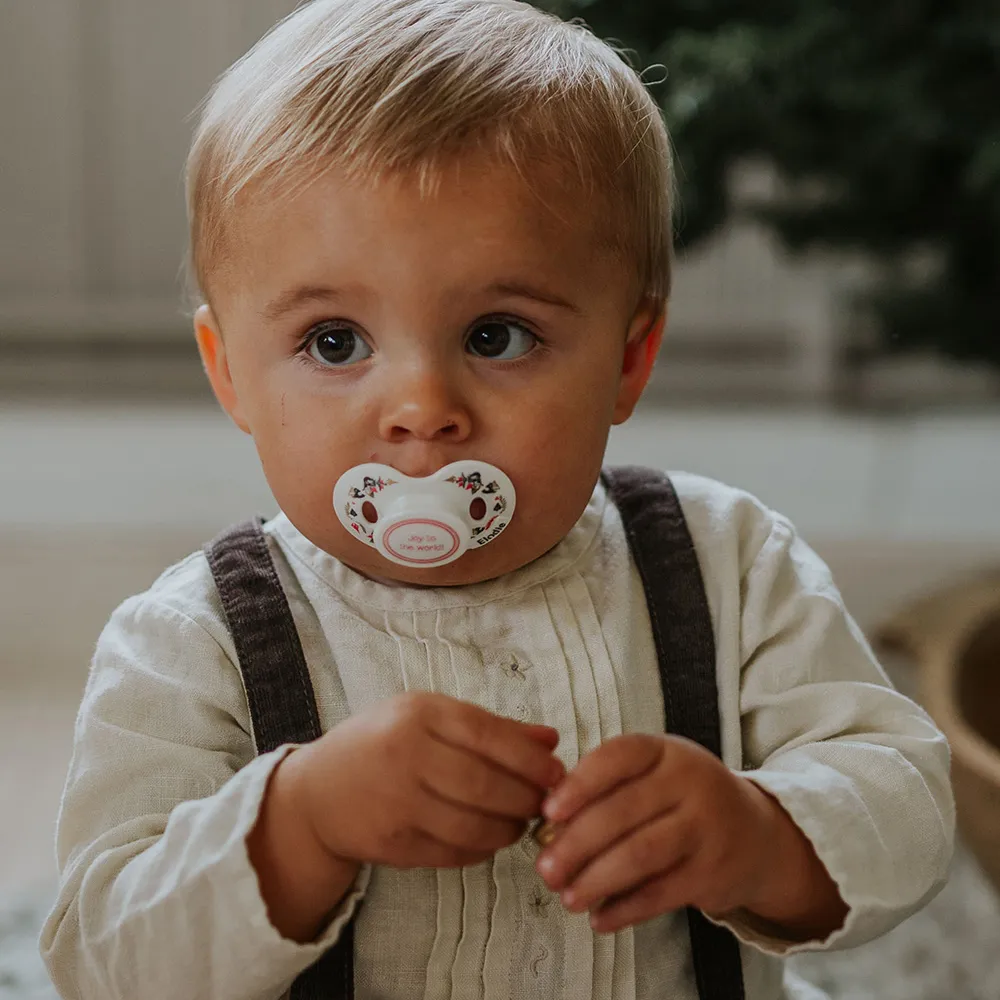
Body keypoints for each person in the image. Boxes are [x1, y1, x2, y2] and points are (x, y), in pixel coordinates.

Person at [39, 1, 954, 998]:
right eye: (334, 342)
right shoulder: (192, 638)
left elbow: (904, 802)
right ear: (232, 376)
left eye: (496, 336)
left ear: (626, 357)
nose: (423, 410)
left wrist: (758, 832)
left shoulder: (727, 562)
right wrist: (296, 824)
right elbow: (101, 954)